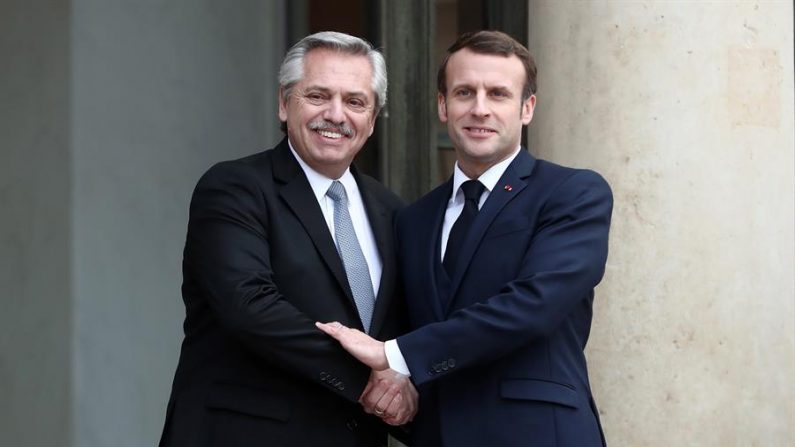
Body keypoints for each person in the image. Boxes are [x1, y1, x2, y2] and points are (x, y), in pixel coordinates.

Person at [317, 30, 613, 446]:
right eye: (463, 92)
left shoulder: (573, 193)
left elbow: (534, 305)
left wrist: (393, 355)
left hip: (540, 433)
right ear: (443, 105)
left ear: (527, 108)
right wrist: (390, 382)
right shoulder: (413, 219)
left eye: (497, 94)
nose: (479, 109)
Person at [159, 31, 417, 447]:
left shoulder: (394, 212)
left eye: (354, 101)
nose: (335, 115)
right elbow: (249, 305)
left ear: (372, 119)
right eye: (317, 96)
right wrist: (372, 379)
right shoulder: (235, 188)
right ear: (284, 103)